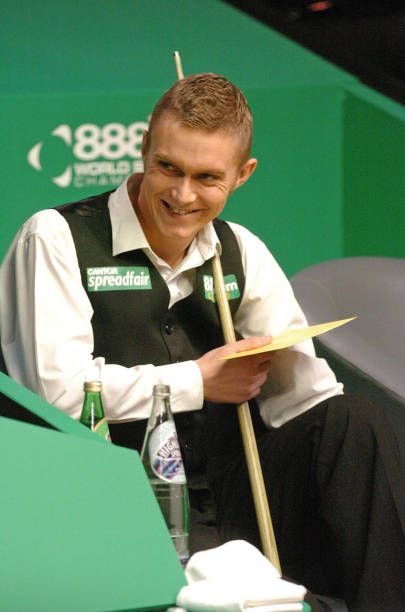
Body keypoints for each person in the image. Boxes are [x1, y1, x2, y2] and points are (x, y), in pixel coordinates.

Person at [0, 73, 404, 611]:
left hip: (230, 502)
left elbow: (308, 403)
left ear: (242, 175)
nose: (182, 194)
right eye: (168, 167)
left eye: (207, 177)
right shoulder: (56, 237)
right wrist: (199, 380)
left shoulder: (242, 251)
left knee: (352, 422)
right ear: (144, 146)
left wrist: (275, 371)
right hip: (105, 499)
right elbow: (58, 396)